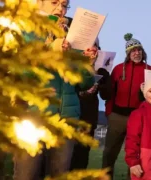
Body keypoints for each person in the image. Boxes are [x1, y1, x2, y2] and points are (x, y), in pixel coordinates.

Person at [13, 0, 95, 179]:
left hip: (67, 117)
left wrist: (87, 63)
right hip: (34, 115)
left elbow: (84, 84)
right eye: (54, 3)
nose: (60, 9)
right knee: (27, 174)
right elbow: (23, 71)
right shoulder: (29, 30)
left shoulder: (73, 37)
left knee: (59, 173)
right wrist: (52, 49)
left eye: (65, 5)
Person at [102, 33, 151, 179]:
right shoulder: (118, 69)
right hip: (117, 116)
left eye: (139, 50)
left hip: (138, 118)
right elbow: (110, 92)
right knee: (109, 152)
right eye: (133, 51)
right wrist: (109, 112)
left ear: (143, 52)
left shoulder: (150, 71)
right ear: (128, 54)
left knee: (135, 154)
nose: (136, 53)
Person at [70, 38, 112, 170]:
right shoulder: (73, 65)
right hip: (72, 115)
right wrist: (83, 91)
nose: (92, 49)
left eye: (95, 46)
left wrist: (103, 78)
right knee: (67, 156)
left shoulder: (100, 69)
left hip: (89, 116)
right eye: (89, 46)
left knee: (82, 156)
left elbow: (106, 95)